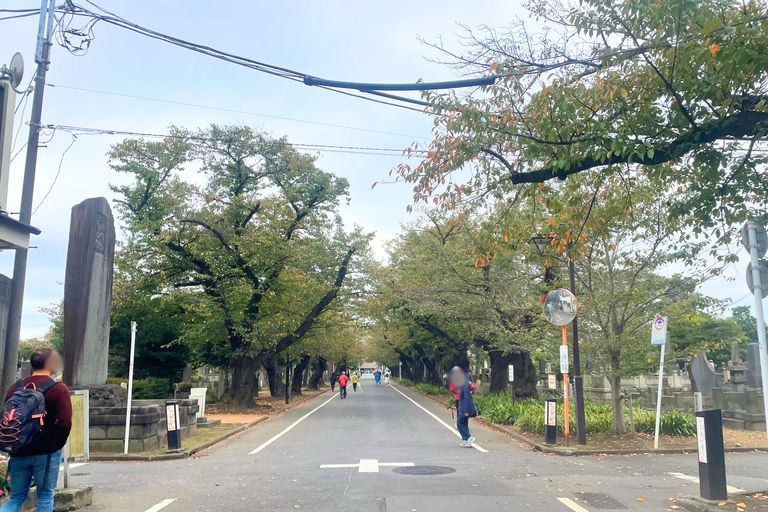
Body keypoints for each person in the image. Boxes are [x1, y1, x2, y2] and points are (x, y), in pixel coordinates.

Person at [1, 348, 71, 512]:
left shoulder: (15, 388)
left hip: (18, 450)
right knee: (45, 496)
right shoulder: (58, 389)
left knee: (16, 498)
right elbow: (65, 423)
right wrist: (54, 445)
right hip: (45, 452)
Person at [448, 367, 476, 448]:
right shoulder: (466, 383)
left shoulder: (463, 385)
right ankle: (467, 440)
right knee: (464, 422)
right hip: (463, 405)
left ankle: (468, 437)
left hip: (464, 406)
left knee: (459, 422)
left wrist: (466, 411)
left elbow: (466, 398)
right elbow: (472, 387)